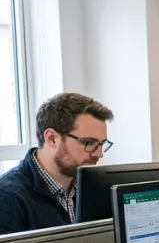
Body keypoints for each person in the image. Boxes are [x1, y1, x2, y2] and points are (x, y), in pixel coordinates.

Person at [0, 93, 113, 235]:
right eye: (88, 143)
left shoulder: (94, 186)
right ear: (52, 138)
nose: (99, 154)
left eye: (101, 144)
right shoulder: (7, 197)